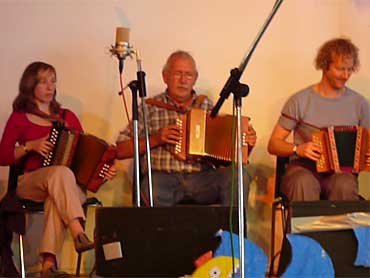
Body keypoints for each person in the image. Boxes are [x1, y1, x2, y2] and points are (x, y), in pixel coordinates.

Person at [0, 62, 116, 277]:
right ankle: (78, 232)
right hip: (31, 182)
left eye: (53, 81)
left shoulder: (67, 117)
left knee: (58, 193)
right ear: (30, 85)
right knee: (61, 174)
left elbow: (86, 155)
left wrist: (103, 172)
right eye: (43, 81)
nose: (50, 86)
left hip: (64, 188)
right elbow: (3, 155)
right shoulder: (19, 118)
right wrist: (29, 147)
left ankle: (48, 266)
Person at [116, 50, 257, 207]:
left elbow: (225, 155)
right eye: (177, 74)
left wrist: (246, 144)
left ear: (195, 78)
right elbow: (121, 150)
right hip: (163, 179)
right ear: (165, 76)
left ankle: (232, 231)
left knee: (238, 177)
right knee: (150, 190)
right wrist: (157, 139)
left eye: (188, 75)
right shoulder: (148, 107)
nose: (183, 80)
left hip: (202, 178)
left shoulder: (206, 106)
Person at [268, 38, 370, 201]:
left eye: (350, 70)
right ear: (325, 66)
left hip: (341, 173)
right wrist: (298, 149)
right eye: (340, 69)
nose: (345, 75)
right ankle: (307, 227)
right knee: (303, 182)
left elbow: (367, 145)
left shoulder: (360, 104)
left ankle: (341, 228)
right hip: (303, 169)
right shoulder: (300, 100)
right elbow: (273, 144)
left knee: (345, 185)